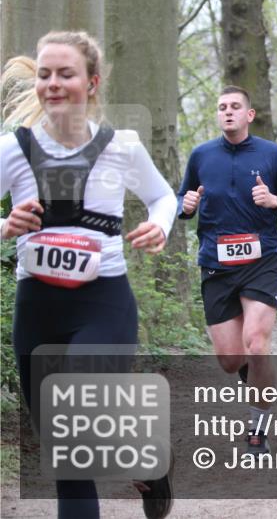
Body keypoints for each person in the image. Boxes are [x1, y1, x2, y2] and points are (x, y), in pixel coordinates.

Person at [0, 33, 176, 519]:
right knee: (68, 461)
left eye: (66, 74)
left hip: (104, 304)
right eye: (44, 74)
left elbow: (164, 198)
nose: (52, 83)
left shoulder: (121, 147)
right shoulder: (12, 149)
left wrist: (158, 226)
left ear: (92, 83)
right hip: (36, 309)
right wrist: (4, 226)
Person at [177, 86, 277, 456]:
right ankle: (260, 381)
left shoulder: (272, 154)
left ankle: (257, 429)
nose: (228, 112)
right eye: (222, 107)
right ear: (217, 115)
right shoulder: (201, 155)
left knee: (257, 343)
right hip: (216, 264)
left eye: (235, 107)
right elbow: (182, 200)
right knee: (231, 359)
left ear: (249, 115)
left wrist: (276, 201)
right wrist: (185, 205)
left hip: (261, 261)